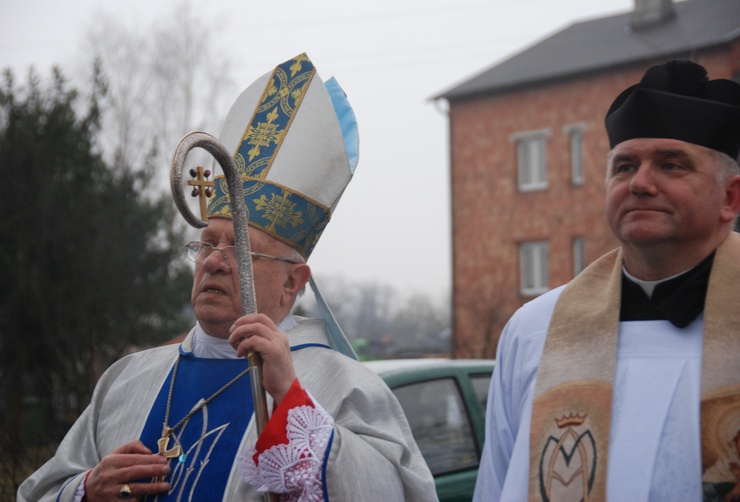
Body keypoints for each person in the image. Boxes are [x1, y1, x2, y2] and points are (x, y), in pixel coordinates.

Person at [18, 53, 437, 502]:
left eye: (239, 249)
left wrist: (292, 402)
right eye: (206, 243)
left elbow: (394, 492)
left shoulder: (345, 387)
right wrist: (85, 490)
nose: (213, 261)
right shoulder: (127, 380)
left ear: (293, 283)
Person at [473, 59, 740, 501]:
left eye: (672, 165)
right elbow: (494, 484)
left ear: (730, 197)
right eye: (623, 167)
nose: (640, 183)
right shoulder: (535, 330)